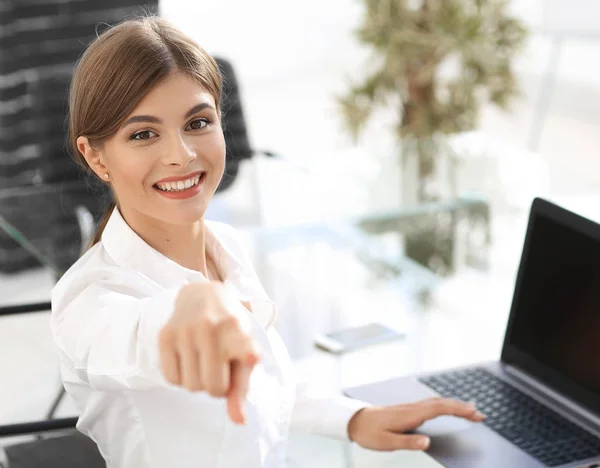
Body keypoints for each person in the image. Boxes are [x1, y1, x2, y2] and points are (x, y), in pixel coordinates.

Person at [50, 16, 485, 468]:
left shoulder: (228, 246)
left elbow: (263, 379)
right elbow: (130, 335)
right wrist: (190, 306)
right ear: (95, 155)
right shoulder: (87, 299)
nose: (180, 154)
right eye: (143, 134)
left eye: (198, 122)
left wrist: (354, 419)